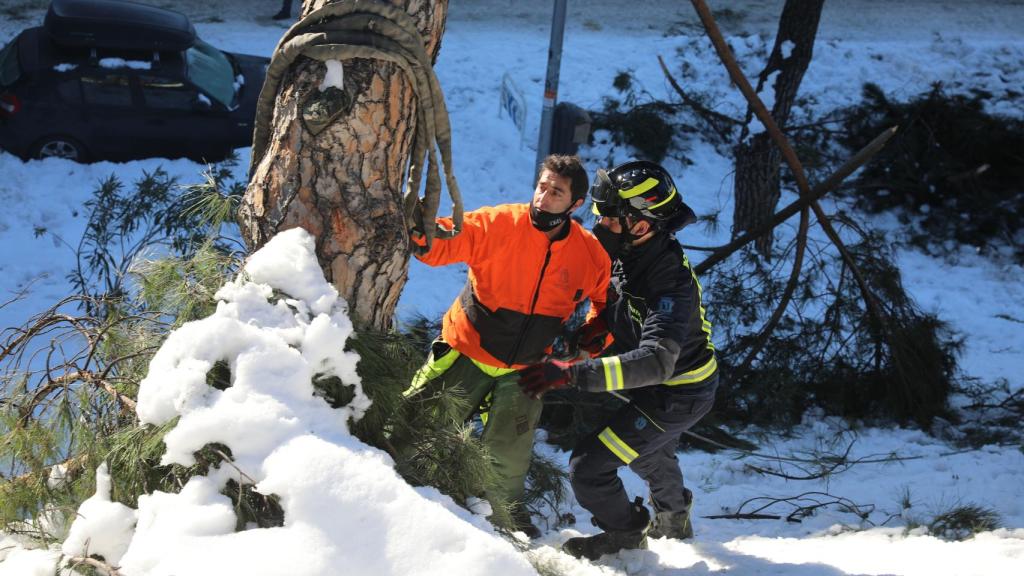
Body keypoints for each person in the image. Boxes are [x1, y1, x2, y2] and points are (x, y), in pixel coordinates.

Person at [518, 160, 718, 560]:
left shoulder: (670, 284)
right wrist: (597, 329)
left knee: (588, 467)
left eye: (609, 219)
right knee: (649, 452)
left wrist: (573, 374)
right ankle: (675, 517)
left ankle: (625, 535)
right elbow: (623, 303)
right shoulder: (631, 254)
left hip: (678, 392)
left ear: (640, 225)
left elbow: (657, 360)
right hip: (656, 386)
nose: (600, 226)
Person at [404, 154, 611, 537]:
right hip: (467, 349)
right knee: (418, 427)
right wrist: (421, 230)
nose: (543, 197)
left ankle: (505, 521)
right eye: (542, 186)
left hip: (528, 367)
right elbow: (442, 244)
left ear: (576, 204)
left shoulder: (588, 254)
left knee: (509, 456)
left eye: (556, 192)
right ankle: (393, 490)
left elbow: (606, 303)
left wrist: (592, 338)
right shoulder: (498, 223)